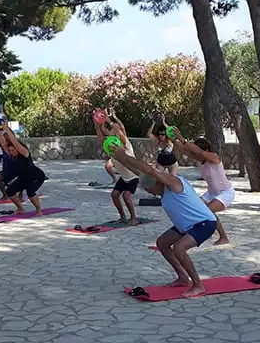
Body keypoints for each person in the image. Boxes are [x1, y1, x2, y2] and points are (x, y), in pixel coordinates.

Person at [111, 145, 217, 298]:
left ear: (158, 183)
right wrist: (122, 159)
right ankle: (182, 277)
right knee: (162, 243)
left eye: (151, 189)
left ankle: (198, 285)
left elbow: (149, 170)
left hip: (204, 223)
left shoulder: (173, 183)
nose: (150, 192)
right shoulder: (159, 187)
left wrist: (125, 156)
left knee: (179, 249)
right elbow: (141, 173)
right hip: (186, 225)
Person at [171, 128, 232, 245]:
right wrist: (174, 140)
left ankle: (223, 237)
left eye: (197, 151)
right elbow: (185, 151)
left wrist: (181, 138)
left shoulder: (214, 157)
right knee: (194, 208)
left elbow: (199, 152)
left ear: (207, 149)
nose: (195, 155)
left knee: (208, 211)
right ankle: (193, 232)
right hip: (211, 193)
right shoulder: (202, 159)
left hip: (225, 192)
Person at [95, 109, 139, 225]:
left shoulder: (126, 144)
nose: (112, 135)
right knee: (114, 195)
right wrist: (97, 122)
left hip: (134, 176)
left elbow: (119, 132)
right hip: (124, 178)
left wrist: (109, 120)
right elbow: (101, 134)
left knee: (126, 196)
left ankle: (134, 218)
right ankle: (123, 217)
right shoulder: (112, 147)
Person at [0, 122, 46, 214]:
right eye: (10, 151)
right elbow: (4, 145)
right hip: (24, 178)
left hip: (36, 176)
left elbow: (16, 143)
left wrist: (7, 129)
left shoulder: (24, 152)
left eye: (13, 150)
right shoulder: (12, 155)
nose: (11, 152)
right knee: (10, 191)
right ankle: (20, 208)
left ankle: (39, 210)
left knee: (30, 192)